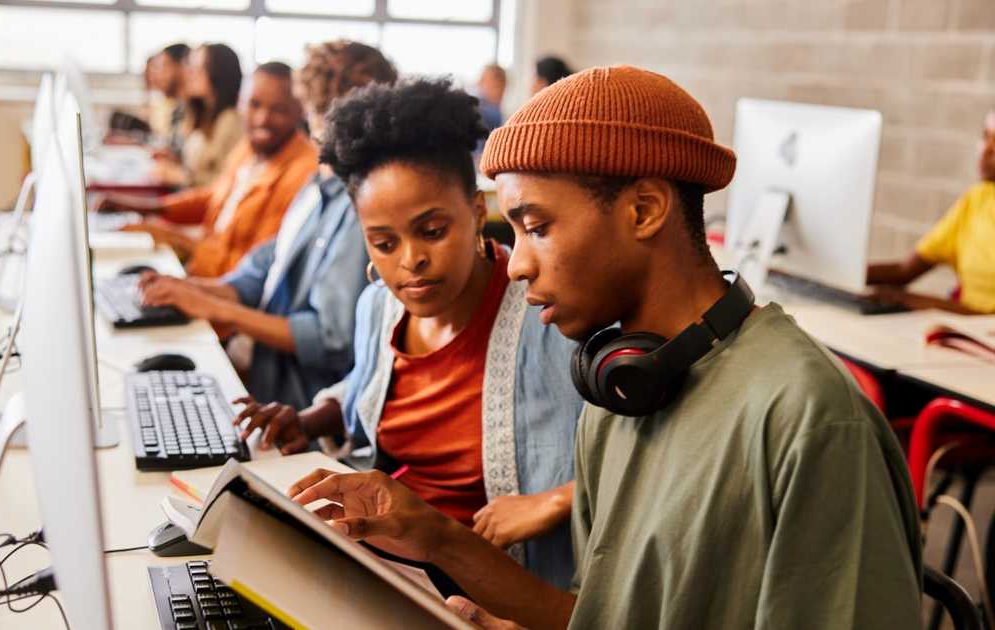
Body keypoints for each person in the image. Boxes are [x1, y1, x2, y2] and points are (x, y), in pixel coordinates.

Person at [287, 66, 923, 629]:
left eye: (537, 226)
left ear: (644, 209)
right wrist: (434, 538)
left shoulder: (807, 418)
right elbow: (592, 614)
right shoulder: (618, 390)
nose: (515, 265)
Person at [232, 78, 582, 588]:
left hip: (487, 583)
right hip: (388, 562)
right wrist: (307, 420)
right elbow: (366, 388)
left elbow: (646, 453)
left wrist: (558, 498)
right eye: (383, 242)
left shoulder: (549, 316)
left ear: (477, 212)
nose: (411, 260)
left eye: (432, 232)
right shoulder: (379, 307)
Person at [137, 40, 398, 409]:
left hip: (298, 407)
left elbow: (329, 338)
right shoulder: (318, 184)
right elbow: (263, 268)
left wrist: (216, 309)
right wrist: (189, 289)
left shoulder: (363, 206)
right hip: (264, 380)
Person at [96, 62, 317, 278]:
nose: (262, 119)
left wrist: (178, 240)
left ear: (300, 112)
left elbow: (251, 272)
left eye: (278, 109)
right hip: (202, 266)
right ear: (241, 103)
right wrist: (144, 208)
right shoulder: (250, 148)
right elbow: (213, 198)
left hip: (221, 288)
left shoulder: (303, 173)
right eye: (254, 104)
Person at [866, 110, 995, 314]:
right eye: (986, 137)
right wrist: (842, 273)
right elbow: (904, 271)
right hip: (960, 336)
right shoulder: (977, 200)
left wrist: (930, 303)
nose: (987, 149)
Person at [154, 43, 244, 187]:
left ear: (217, 74)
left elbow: (227, 183)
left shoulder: (229, 121)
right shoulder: (203, 114)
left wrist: (183, 177)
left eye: (197, 68)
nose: (188, 73)